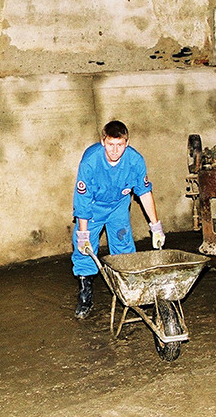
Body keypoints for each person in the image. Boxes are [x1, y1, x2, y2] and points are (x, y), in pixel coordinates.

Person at [71, 120, 165, 319]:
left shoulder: (135, 161)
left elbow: (145, 193)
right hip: (93, 208)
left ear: (127, 143)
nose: (115, 150)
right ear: (103, 141)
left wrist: (156, 226)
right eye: (111, 145)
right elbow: (82, 199)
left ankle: (128, 293)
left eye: (120, 145)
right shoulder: (91, 161)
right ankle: (85, 293)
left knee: (124, 248)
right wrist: (82, 233)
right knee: (85, 250)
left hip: (118, 206)